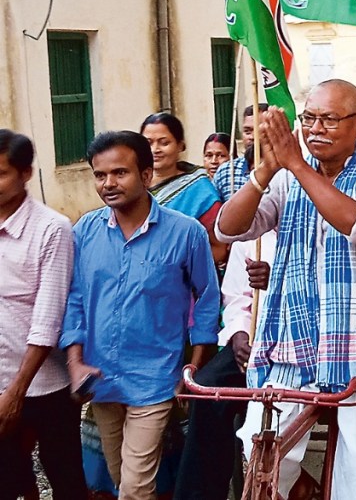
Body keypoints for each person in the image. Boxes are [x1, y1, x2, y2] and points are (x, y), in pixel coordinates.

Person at [216, 79, 356, 500]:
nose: (316, 128)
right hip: (292, 340)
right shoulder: (286, 177)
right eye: (309, 118)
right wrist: (265, 172)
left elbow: (354, 222)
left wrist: (295, 165)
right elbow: (229, 228)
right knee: (263, 450)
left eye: (329, 119)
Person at [61, 131, 219, 500]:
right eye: (100, 175)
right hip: (101, 380)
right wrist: (74, 362)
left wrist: (193, 367)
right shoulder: (85, 230)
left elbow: (208, 298)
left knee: (134, 487)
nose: (108, 184)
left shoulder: (186, 233)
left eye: (120, 173)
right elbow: (75, 300)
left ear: (146, 175)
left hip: (155, 379)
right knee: (122, 478)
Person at [0, 130, 87, 500]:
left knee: (64, 476)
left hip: (43, 384)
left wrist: (16, 392)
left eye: (1, 173)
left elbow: (47, 319)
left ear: (26, 174)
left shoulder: (51, 228)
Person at [174, 226, 275, 500]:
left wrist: (276, 279)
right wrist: (240, 333)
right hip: (255, 340)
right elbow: (236, 297)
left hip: (303, 345)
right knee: (208, 388)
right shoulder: (255, 233)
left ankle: (296, 481)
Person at [141, 112, 226, 268]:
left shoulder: (201, 191)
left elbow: (219, 248)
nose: (155, 149)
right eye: (148, 143)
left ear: (180, 145)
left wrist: (177, 266)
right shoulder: (132, 186)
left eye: (164, 143)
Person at [213, 103, 268, 201]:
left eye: (258, 131)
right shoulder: (226, 172)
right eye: (247, 131)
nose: (251, 137)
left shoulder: (283, 174)